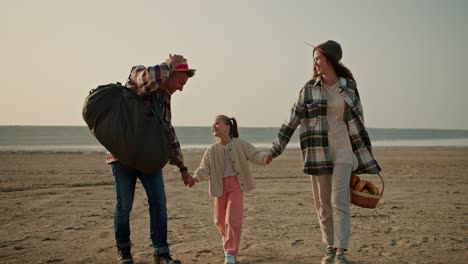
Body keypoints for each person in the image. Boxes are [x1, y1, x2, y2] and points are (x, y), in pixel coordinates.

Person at [265, 40, 381, 264]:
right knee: (322, 203)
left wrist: (363, 153)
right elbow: (292, 120)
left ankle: (341, 252)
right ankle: (329, 246)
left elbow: (359, 120)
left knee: (339, 200)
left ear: (330, 59)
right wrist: (275, 149)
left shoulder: (348, 86)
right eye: (314, 59)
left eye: (318, 58)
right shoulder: (309, 88)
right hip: (318, 151)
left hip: (344, 149)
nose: (315, 63)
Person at [106, 54, 197, 264]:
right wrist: (168, 64)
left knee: (159, 203)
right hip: (123, 157)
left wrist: (182, 167)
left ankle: (161, 253)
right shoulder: (139, 73)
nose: (182, 88)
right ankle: (124, 250)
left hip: (149, 159)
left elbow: (167, 130)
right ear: (171, 74)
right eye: (181, 82)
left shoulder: (165, 96)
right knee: (124, 205)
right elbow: (144, 81)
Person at [193, 115, 270, 264]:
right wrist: (195, 177)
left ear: (227, 127)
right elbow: (204, 168)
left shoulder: (240, 144)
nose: (213, 126)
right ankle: (227, 236)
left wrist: (265, 158)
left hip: (236, 186)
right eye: (212, 124)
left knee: (232, 219)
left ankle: (230, 252)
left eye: (217, 124)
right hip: (219, 187)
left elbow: (255, 155)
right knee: (219, 220)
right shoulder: (211, 150)